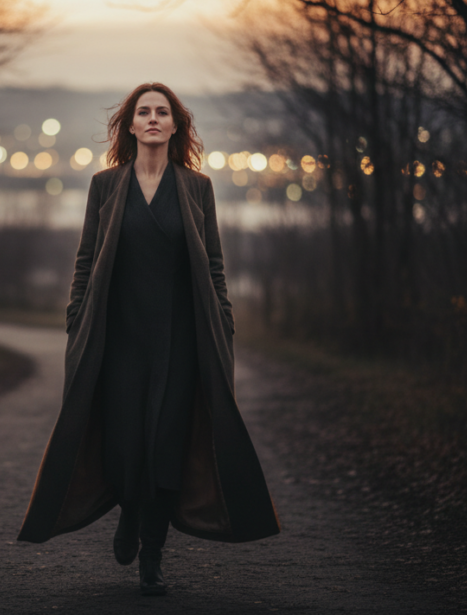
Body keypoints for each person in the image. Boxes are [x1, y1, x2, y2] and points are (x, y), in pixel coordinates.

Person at [17, 83, 280, 595]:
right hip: (119, 340)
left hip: (180, 341)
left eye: (163, 112)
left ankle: (152, 556)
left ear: (176, 126)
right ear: (131, 126)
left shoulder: (197, 188)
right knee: (123, 446)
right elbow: (86, 261)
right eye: (144, 112)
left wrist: (223, 318)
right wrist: (77, 315)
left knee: (165, 449)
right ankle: (130, 513)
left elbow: (216, 265)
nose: (154, 118)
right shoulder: (105, 185)